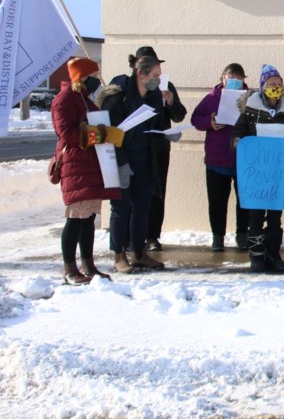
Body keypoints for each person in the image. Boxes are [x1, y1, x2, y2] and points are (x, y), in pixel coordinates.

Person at [51, 58, 123, 284]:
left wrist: (109, 131)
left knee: (88, 217)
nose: (96, 79)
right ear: (82, 77)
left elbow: (97, 122)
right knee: (76, 217)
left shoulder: (85, 100)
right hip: (75, 166)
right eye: (94, 75)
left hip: (91, 166)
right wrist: (100, 134)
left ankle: (88, 264)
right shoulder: (64, 100)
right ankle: (69, 268)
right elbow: (67, 133)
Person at [232, 64, 284, 272]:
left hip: (279, 173)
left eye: (279, 83)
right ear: (263, 86)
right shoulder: (250, 111)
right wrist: (239, 143)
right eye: (272, 83)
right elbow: (237, 134)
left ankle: (273, 254)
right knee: (255, 214)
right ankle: (256, 255)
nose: (276, 87)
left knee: (275, 216)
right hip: (257, 173)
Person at [98, 53, 166, 273]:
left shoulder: (153, 95)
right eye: (155, 75)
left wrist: (166, 134)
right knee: (121, 207)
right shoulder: (120, 95)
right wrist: (120, 162)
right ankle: (119, 255)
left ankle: (139, 253)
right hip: (121, 158)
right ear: (141, 73)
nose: (158, 79)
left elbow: (155, 123)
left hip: (144, 158)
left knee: (143, 206)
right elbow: (107, 130)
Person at [191, 63, 250, 252]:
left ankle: (242, 234)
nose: (234, 81)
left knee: (244, 201)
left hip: (243, 159)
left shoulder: (252, 98)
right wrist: (210, 122)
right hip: (217, 159)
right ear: (222, 79)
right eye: (230, 77)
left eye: (238, 78)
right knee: (217, 202)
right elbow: (195, 119)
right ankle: (218, 236)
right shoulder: (211, 98)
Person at [139, 46, 187, 252]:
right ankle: (134, 236)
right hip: (136, 146)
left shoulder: (166, 85)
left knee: (157, 192)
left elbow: (179, 115)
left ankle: (152, 235)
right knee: (136, 193)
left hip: (159, 147)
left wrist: (171, 101)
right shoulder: (128, 85)